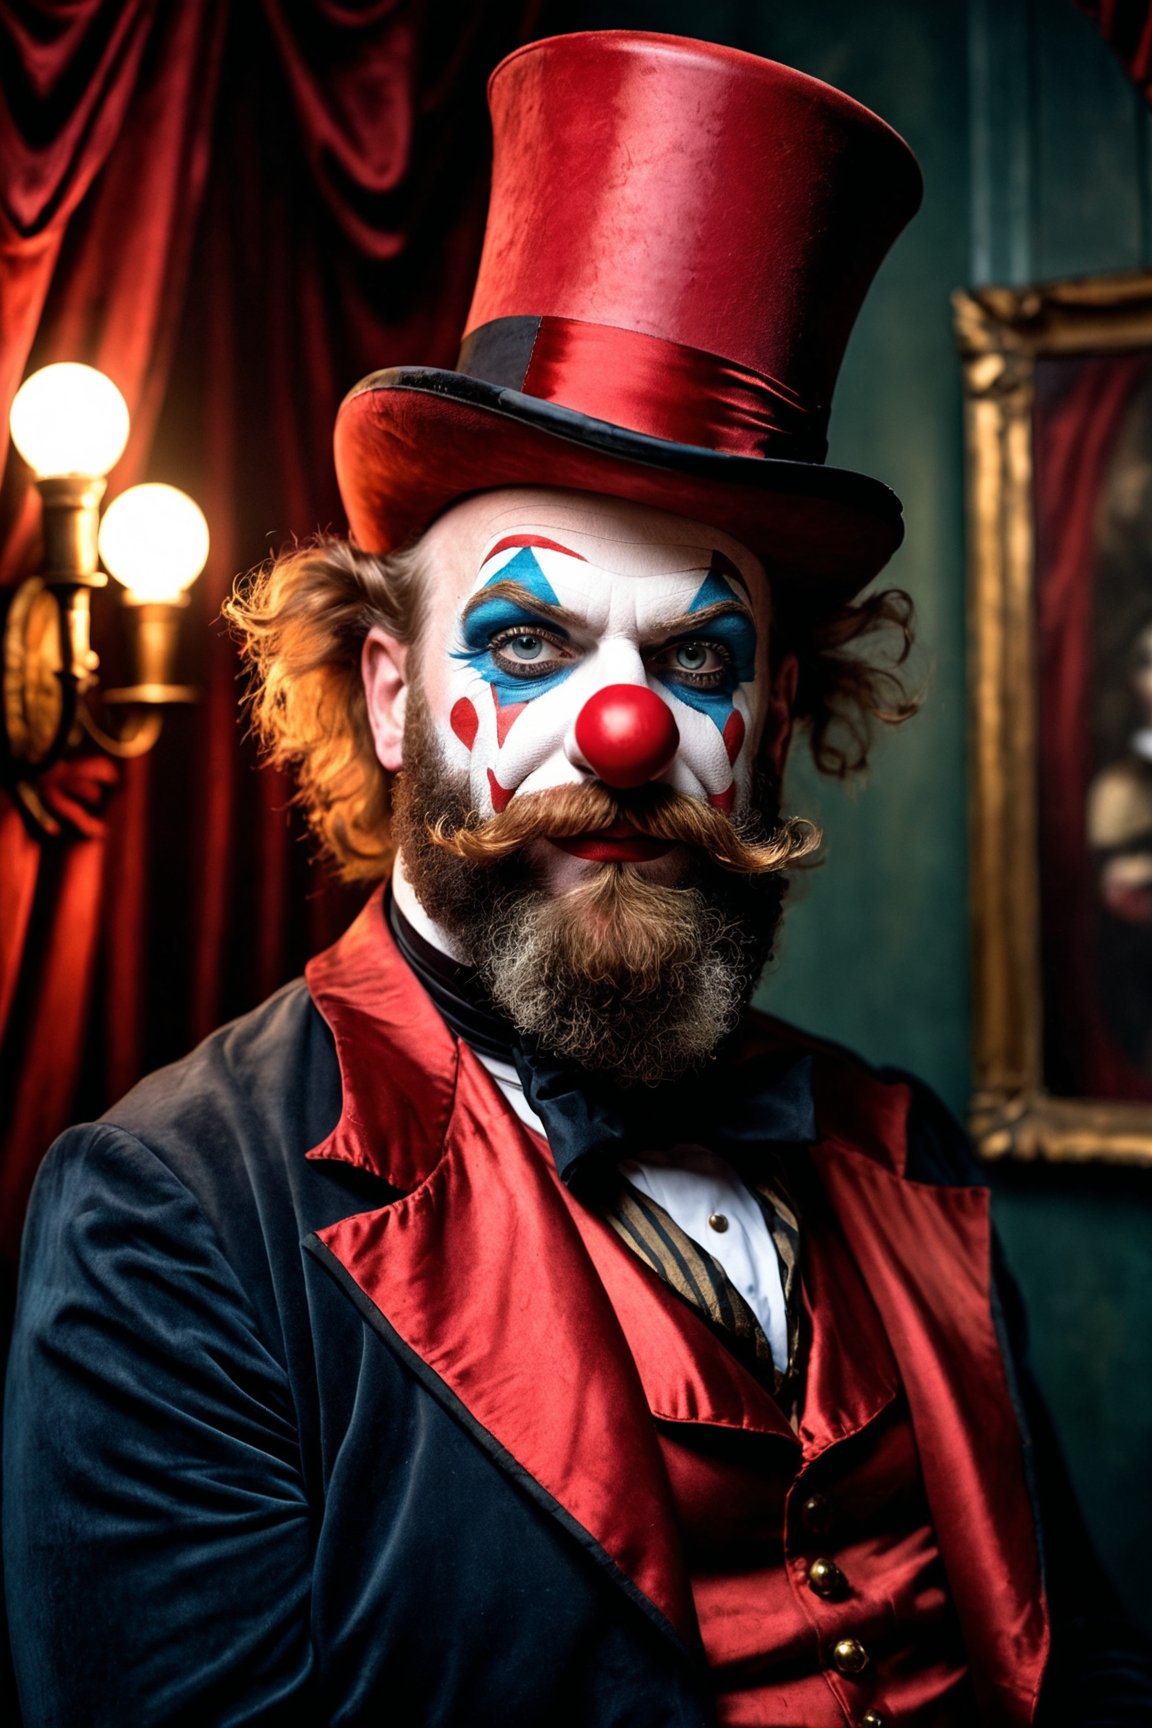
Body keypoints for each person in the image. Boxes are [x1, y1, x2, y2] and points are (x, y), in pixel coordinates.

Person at [4, 29, 1150, 1728]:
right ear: (391, 692)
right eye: (528, 637)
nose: (620, 729)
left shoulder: (899, 1142)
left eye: (695, 661)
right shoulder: (178, 1221)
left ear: (767, 730)